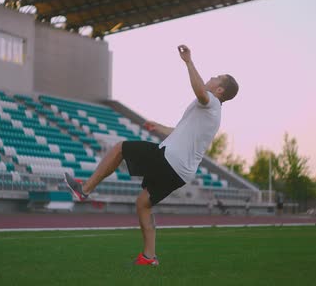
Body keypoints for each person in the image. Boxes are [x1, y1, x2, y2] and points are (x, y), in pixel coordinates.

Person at [64, 44, 239, 266]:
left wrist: (188, 62)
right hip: (181, 172)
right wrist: (160, 127)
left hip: (169, 160)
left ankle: (84, 189)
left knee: (120, 148)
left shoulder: (211, 102)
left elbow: (200, 92)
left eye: (217, 77)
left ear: (220, 90)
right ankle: (149, 257)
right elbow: (182, 132)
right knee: (143, 203)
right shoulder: (212, 112)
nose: (212, 77)